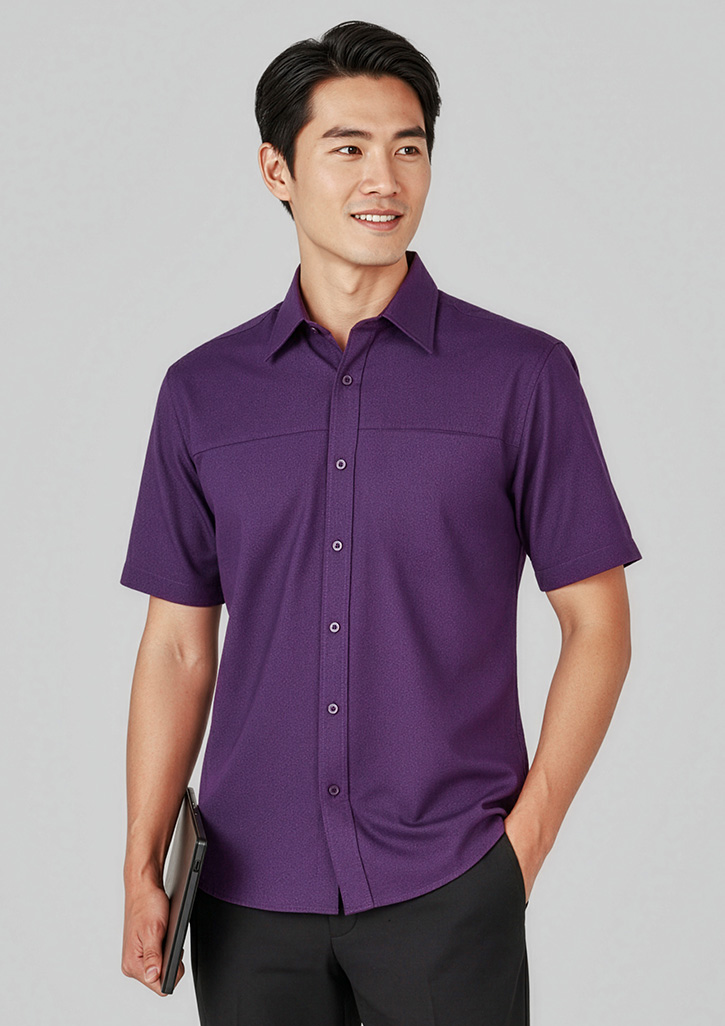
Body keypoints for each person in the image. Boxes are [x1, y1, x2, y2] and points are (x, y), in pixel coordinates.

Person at [120, 19, 642, 1026]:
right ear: (276, 170)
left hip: (448, 882)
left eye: (408, 148)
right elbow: (178, 646)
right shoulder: (201, 393)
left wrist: (520, 848)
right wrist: (143, 862)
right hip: (245, 894)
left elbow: (598, 624)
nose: (384, 178)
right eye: (348, 147)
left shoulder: (522, 376)